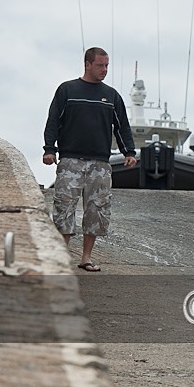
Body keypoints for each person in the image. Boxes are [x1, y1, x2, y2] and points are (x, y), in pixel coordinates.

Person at [43, 47, 136, 272]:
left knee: (97, 210)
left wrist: (129, 153)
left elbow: (122, 126)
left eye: (106, 66)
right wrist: (49, 149)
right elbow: (53, 120)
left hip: (100, 164)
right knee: (64, 207)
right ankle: (62, 257)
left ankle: (86, 257)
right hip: (70, 161)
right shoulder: (67, 90)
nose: (104, 70)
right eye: (100, 65)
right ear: (87, 64)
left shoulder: (112, 96)